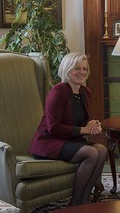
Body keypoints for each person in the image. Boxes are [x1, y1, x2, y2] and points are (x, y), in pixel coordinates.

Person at [29, 52, 107, 205]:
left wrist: (91, 126)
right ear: (67, 69)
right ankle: (76, 203)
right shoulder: (58, 92)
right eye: (77, 68)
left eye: (85, 69)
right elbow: (54, 128)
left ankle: (84, 200)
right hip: (50, 142)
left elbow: (77, 121)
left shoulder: (85, 93)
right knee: (91, 153)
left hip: (69, 140)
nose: (82, 72)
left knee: (102, 150)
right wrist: (84, 130)